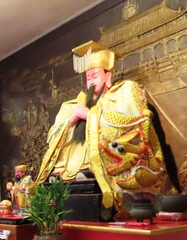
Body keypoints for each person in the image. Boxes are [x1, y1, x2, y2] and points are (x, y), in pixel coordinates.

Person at [36, 41, 165, 213]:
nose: (90, 81)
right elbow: (52, 137)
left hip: (106, 152)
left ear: (108, 76)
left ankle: (90, 172)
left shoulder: (122, 93)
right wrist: (73, 119)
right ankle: (66, 174)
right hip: (74, 159)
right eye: (88, 78)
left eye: (95, 76)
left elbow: (130, 120)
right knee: (66, 137)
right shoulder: (72, 105)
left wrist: (90, 116)